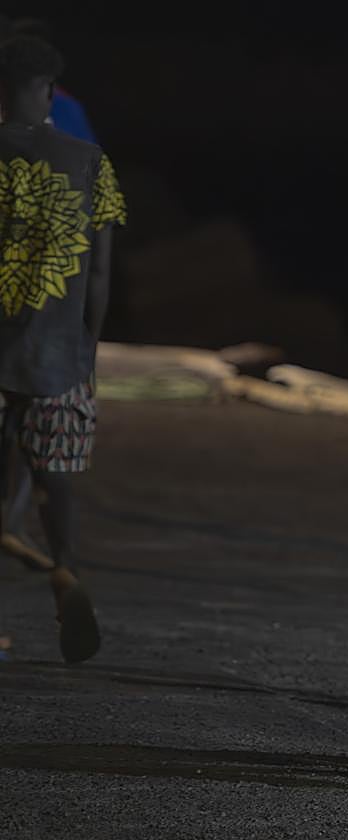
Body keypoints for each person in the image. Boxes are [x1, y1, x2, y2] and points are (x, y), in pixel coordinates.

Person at [0, 35, 126, 662]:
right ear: (49, 89)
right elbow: (99, 278)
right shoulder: (89, 163)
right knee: (54, 488)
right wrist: (88, 353)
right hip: (60, 361)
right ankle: (66, 573)